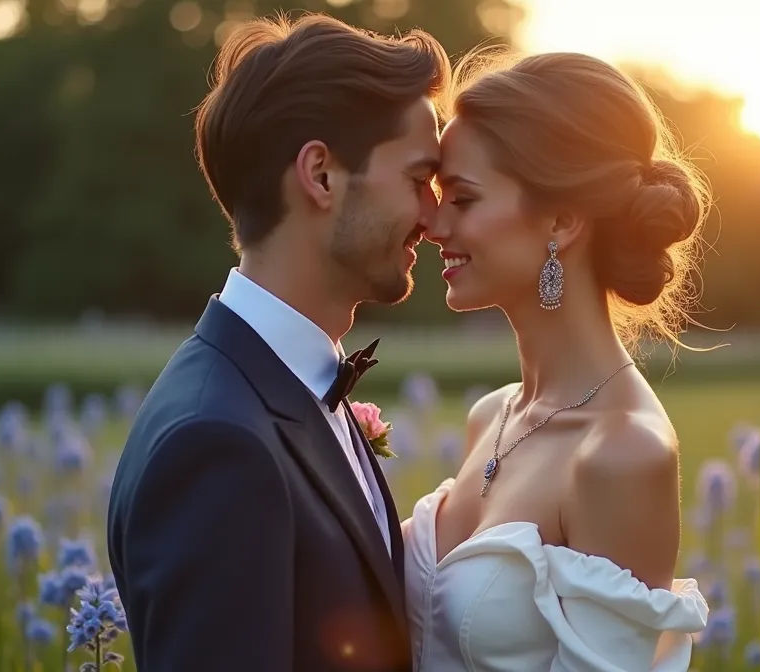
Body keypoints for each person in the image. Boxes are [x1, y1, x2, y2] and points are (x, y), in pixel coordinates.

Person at [105, 14, 448, 671]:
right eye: (416, 179)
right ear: (321, 175)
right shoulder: (217, 444)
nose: (433, 217)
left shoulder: (278, 386)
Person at [402, 50, 711, 671]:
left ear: (562, 221)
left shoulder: (624, 453)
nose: (431, 223)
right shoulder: (491, 416)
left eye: (461, 198)